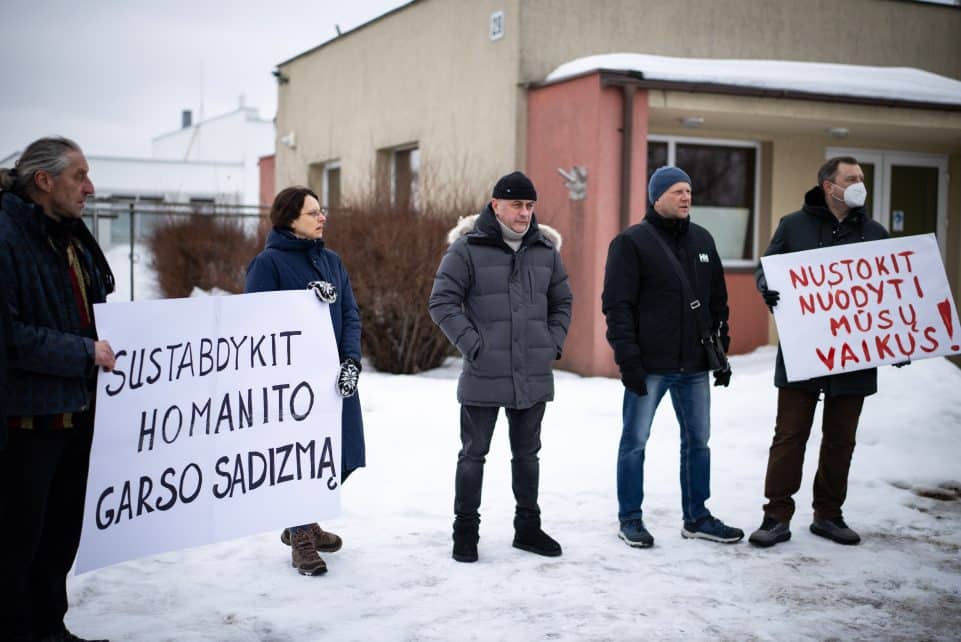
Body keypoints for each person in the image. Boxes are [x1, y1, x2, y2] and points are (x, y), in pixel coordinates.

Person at [0, 137, 116, 642]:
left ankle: (50, 629)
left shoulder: (68, 234)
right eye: (79, 176)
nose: (89, 188)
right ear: (43, 182)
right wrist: (84, 353)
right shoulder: (7, 237)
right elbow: (11, 338)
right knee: (18, 544)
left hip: (76, 414)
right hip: (26, 424)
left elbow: (94, 304)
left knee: (60, 535)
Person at [428, 171, 572, 563]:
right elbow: (441, 302)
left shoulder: (545, 250)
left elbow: (562, 302)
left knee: (528, 455)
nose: (524, 213)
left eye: (529, 206)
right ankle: (465, 532)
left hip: (532, 371)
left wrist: (551, 342)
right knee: (473, 454)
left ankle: (527, 528)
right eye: (516, 205)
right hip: (484, 371)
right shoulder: (467, 249)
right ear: (496, 205)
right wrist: (474, 345)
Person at [749, 156, 890, 548]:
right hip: (804, 349)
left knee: (841, 438)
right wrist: (767, 286)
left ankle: (829, 514)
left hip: (855, 353)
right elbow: (768, 266)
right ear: (830, 186)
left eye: (862, 177)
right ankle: (776, 516)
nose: (860, 183)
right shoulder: (794, 226)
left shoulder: (876, 233)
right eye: (852, 178)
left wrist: (898, 337)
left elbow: (891, 293)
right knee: (790, 435)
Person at [602, 165, 743, 549]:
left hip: (695, 365)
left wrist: (722, 346)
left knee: (698, 442)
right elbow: (617, 307)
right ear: (656, 196)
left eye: (689, 191)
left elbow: (717, 299)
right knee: (634, 442)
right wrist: (628, 360)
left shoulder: (702, 239)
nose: (686, 197)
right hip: (649, 366)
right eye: (678, 191)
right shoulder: (631, 243)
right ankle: (630, 518)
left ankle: (697, 517)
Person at [245, 186, 365, 576]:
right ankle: (301, 537)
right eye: (312, 212)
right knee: (299, 458)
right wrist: (305, 301)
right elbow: (257, 326)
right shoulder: (268, 264)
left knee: (340, 455)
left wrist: (350, 360)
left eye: (320, 210)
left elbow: (349, 313)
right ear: (289, 219)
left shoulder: (332, 260)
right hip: (291, 386)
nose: (321, 217)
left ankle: (304, 520)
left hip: (334, 379)